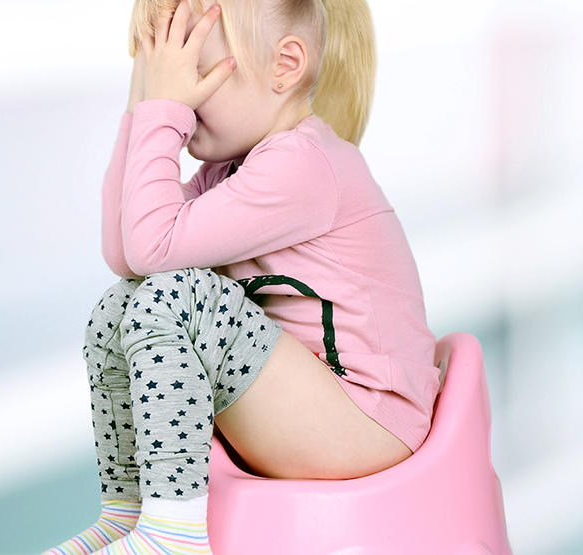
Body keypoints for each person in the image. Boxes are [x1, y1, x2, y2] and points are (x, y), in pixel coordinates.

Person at [44, 0, 441, 552]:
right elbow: (126, 251)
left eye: (193, 70)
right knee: (121, 307)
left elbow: (153, 248)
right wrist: (142, 104)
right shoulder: (224, 174)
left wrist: (161, 107)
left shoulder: (305, 164)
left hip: (371, 423)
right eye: (165, 71)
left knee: (175, 296)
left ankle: (174, 532)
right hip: (305, 412)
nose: (179, 94)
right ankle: (129, 514)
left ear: (284, 66)